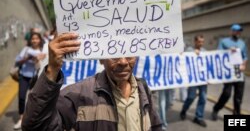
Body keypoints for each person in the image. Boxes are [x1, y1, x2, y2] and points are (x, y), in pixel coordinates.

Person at [21, 32, 162, 131]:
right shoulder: (78, 94)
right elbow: (34, 126)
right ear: (101, 59)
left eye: (129, 53)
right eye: (114, 54)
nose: (123, 62)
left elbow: (155, 127)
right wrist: (52, 69)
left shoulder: (142, 88)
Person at [212, 24, 248, 120]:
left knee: (238, 98)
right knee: (226, 94)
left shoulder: (242, 43)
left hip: (239, 72)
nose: (238, 32)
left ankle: (236, 119)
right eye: (236, 31)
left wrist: (243, 64)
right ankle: (216, 109)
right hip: (228, 72)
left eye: (239, 31)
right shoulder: (224, 41)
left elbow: (245, 56)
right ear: (232, 31)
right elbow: (218, 53)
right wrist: (228, 50)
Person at [13, 32, 46, 129]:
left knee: (33, 99)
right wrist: (27, 58)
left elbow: (43, 66)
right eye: (33, 39)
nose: (34, 40)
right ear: (30, 40)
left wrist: (38, 60)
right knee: (22, 97)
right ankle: (22, 118)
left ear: (40, 40)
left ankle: (32, 118)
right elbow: (17, 61)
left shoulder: (43, 51)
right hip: (24, 76)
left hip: (35, 77)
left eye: (36, 38)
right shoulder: (26, 49)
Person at [180, 35, 207, 127]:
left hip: (203, 79)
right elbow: (183, 60)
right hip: (193, 79)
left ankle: (198, 117)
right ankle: (184, 110)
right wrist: (192, 54)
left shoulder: (204, 51)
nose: (201, 44)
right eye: (199, 42)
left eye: (202, 42)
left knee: (203, 98)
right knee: (191, 97)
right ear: (195, 42)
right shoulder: (189, 50)